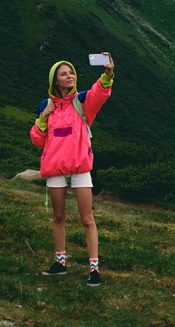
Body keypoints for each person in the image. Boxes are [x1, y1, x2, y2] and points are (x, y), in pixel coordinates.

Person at [30, 53, 114, 287]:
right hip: (55, 168)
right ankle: (60, 263)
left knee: (87, 219)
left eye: (72, 72)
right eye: (64, 73)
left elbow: (101, 92)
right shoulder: (45, 106)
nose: (70, 76)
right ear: (55, 80)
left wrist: (107, 73)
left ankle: (94, 268)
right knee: (58, 217)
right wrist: (43, 118)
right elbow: (37, 139)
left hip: (80, 168)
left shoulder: (83, 101)